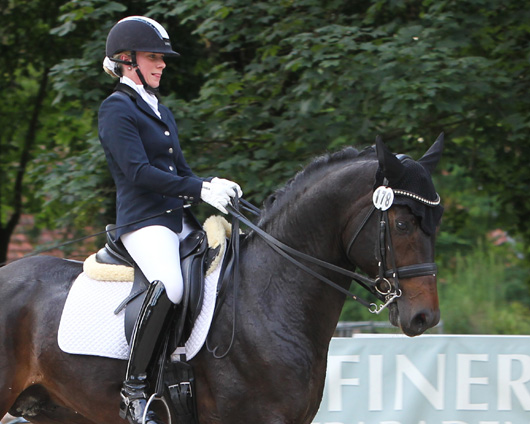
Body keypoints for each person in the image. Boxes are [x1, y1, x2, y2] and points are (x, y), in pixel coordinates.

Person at [99, 16, 242, 424]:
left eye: (162, 59)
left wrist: (211, 184)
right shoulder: (117, 108)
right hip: (144, 221)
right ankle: (134, 388)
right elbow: (138, 173)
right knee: (172, 285)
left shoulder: (159, 108)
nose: (161, 65)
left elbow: (178, 169)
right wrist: (198, 190)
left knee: (225, 267)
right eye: (153, 58)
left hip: (176, 217)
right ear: (126, 60)